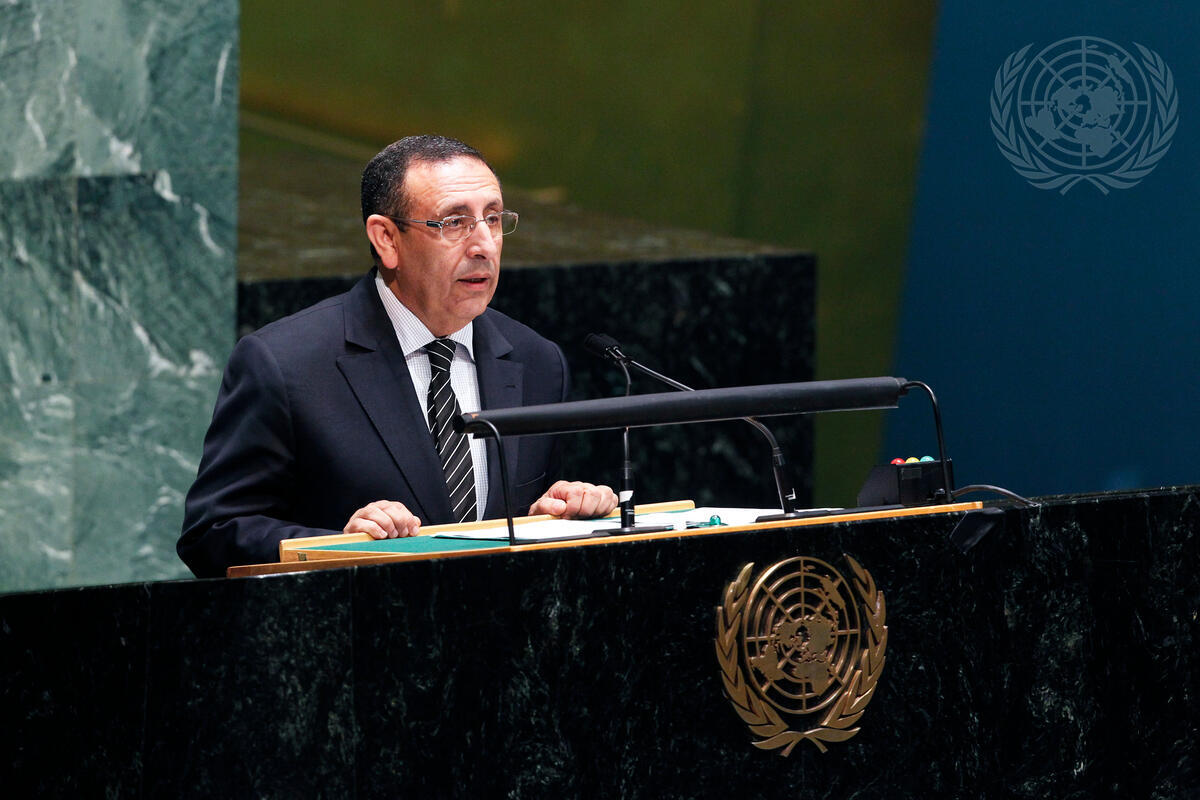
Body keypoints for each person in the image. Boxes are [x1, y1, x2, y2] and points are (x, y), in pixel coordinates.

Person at [178, 135, 617, 577]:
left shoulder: (536, 360)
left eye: (493, 218)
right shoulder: (285, 363)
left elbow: (524, 524)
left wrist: (560, 513)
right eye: (455, 222)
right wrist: (339, 545)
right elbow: (213, 532)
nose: (484, 244)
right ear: (386, 238)